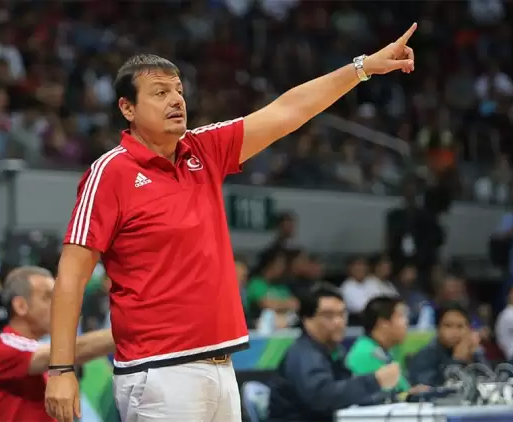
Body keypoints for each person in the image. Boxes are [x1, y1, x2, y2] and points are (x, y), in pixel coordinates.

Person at [46, 24, 417, 422]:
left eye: (178, 91)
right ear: (128, 108)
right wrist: (61, 369)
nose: (176, 100)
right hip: (159, 372)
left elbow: (288, 111)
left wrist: (362, 68)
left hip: (222, 368)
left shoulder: (203, 149)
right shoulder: (110, 172)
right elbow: (72, 276)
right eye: (160, 92)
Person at [0, 266, 115, 422]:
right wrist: (128, 332)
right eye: (47, 297)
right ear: (20, 306)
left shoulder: (35, 352)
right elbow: (73, 350)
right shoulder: (4, 347)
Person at [268, 284, 401, 422]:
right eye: (328, 315)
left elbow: (346, 393)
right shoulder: (303, 355)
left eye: (342, 314)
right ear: (307, 319)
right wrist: (374, 381)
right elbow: (322, 398)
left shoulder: (334, 352)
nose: (339, 322)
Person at [408, 302, 488, 387]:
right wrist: (456, 360)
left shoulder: (474, 352)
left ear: (469, 330)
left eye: (460, 326)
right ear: (438, 329)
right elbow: (428, 389)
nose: (454, 332)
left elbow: (490, 382)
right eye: (448, 326)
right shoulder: (425, 355)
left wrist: (472, 359)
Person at [345, 296, 412, 392]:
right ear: (383, 324)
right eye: (401, 316)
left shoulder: (388, 351)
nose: (406, 322)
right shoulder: (365, 354)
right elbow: (384, 397)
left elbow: (402, 391)